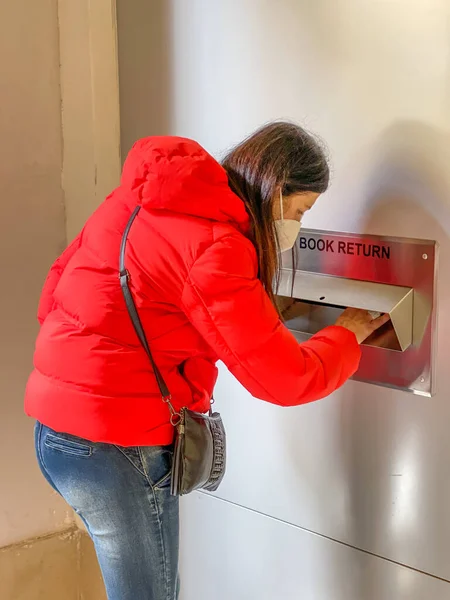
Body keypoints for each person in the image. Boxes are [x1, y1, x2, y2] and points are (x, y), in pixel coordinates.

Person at [25, 121, 388, 600]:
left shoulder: (138, 199)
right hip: (116, 448)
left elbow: (55, 291)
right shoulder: (217, 244)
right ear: (275, 191)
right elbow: (285, 379)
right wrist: (349, 334)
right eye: (300, 210)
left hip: (54, 436)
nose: (296, 227)